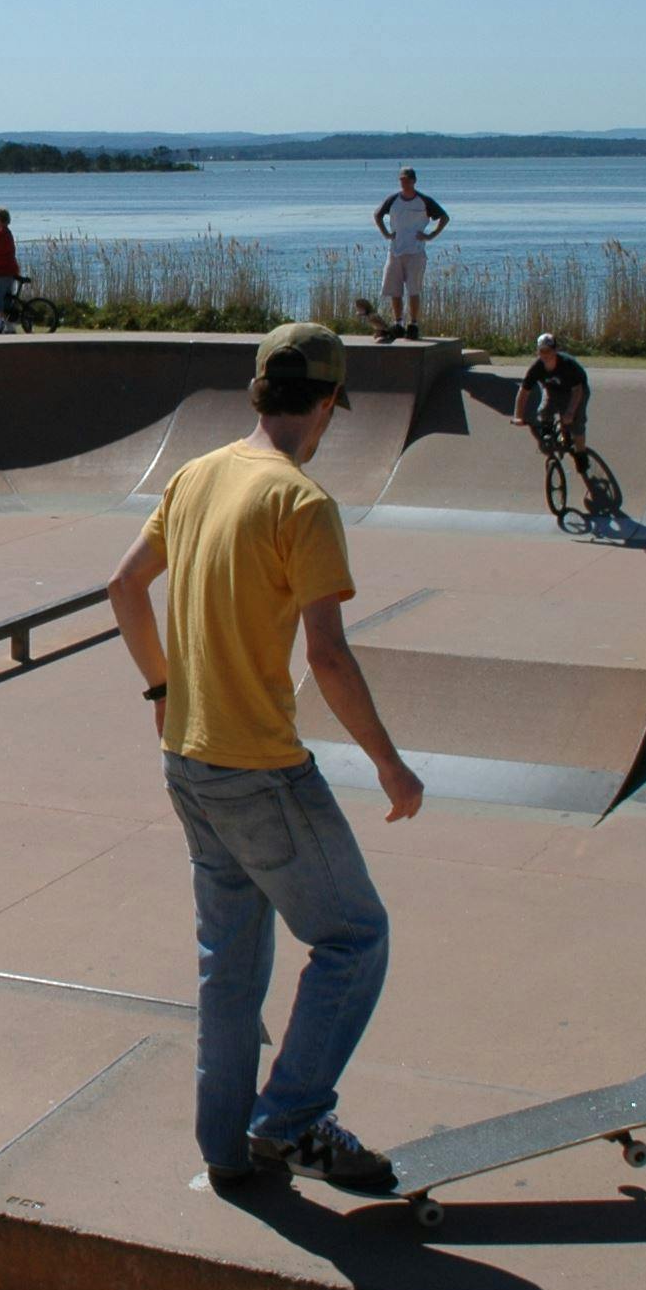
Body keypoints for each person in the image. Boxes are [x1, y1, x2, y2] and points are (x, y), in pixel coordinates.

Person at [105, 323, 423, 1195]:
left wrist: (162, 690)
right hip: (261, 771)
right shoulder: (302, 503)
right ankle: (288, 1120)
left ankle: (227, 1148)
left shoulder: (197, 474)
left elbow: (124, 586)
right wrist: (392, 767)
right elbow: (327, 654)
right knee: (355, 940)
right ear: (324, 404)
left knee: (232, 964)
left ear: (258, 392)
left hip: (189, 762)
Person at [370, 169, 450, 341]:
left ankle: (413, 324)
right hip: (395, 251)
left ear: (414, 181)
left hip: (415, 251)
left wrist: (430, 235)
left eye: (407, 180)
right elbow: (377, 215)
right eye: (401, 180)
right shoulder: (393, 200)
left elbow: (444, 217)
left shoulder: (424, 201)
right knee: (394, 290)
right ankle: (398, 323)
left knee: (413, 289)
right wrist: (386, 234)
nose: (404, 183)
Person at [510, 333, 592, 463]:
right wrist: (518, 416)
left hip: (576, 391)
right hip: (552, 390)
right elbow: (524, 391)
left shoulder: (568, 365)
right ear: (538, 352)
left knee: (576, 423)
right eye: (542, 351)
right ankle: (548, 438)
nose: (545, 355)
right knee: (543, 412)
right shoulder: (536, 368)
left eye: (548, 351)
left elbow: (578, 390)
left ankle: (581, 454)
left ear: (555, 350)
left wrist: (570, 412)